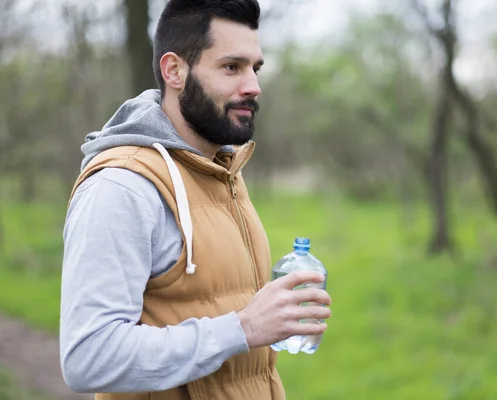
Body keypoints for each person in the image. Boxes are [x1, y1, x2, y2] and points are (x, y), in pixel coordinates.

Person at [59, 1, 332, 399]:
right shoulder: (123, 187)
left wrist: (270, 317)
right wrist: (243, 328)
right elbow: (89, 358)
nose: (253, 86)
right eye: (231, 67)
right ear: (174, 71)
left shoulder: (222, 172)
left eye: (255, 68)